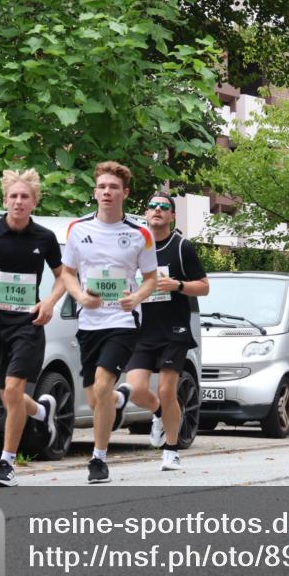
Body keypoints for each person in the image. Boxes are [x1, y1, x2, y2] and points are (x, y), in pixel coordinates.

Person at [0, 168, 65, 488]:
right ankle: (42, 412)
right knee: (9, 395)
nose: (18, 202)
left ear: (34, 201)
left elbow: (63, 277)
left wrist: (48, 303)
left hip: (29, 325)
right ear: (5, 200)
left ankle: (6, 463)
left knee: (15, 390)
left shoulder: (44, 238)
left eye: (25, 197)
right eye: (13, 196)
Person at [61, 161, 157, 483]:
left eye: (113, 187)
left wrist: (137, 297)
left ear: (124, 193)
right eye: (101, 187)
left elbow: (151, 279)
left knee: (102, 384)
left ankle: (98, 459)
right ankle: (119, 399)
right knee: (95, 398)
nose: (106, 192)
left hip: (123, 319)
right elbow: (68, 274)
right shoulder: (78, 229)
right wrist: (81, 297)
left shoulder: (139, 234)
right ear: (95, 192)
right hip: (89, 322)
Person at [120, 191, 208, 472]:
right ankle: (159, 413)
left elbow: (204, 287)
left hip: (174, 329)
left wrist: (178, 285)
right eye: (152, 206)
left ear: (172, 216)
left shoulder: (182, 247)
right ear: (146, 214)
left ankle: (171, 450)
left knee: (168, 389)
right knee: (135, 390)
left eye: (164, 207)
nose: (157, 210)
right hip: (142, 330)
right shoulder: (136, 247)